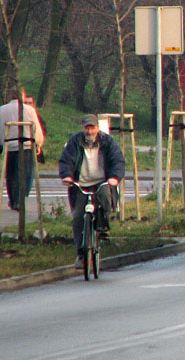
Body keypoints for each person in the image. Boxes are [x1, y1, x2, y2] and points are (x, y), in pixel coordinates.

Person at [59, 114, 125, 268]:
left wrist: (114, 177)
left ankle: (103, 228)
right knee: (77, 217)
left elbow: (117, 160)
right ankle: (81, 254)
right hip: (82, 183)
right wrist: (67, 176)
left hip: (102, 182)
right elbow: (66, 160)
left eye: (92, 127)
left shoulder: (107, 142)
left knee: (106, 199)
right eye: (87, 128)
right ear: (83, 128)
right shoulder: (75, 142)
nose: (89, 131)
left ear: (97, 128)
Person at [0, 88, 45, 211]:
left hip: (9, 147)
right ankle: (21, 200)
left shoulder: (1, 110)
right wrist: (38, 144)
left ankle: (13, 200)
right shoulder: (29, 110)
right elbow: (36, 128)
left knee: (11, 174)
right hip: (26, 146)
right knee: (25, 174)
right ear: (22, 95)